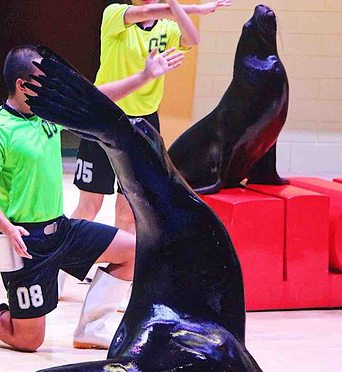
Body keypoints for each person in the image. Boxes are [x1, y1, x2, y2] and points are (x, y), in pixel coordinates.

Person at [0, 42, 185, 352]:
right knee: (28, 340)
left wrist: (144, 76)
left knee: (133, 251)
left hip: (62, 230)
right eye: (43, 82)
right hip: (25, 242)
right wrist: (7, 228)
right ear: (22, 85)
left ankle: (91, 329)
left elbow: (95, 99)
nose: (50, 89)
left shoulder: (47, 115)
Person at [71, 0, 232, 235]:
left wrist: (175, 4)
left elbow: (193, 39)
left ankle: (121, 259)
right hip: (103, 117)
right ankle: (65, 256)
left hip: (143, 124)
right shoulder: (115, 14)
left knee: (128, 212)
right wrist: (197, 8)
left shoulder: (167, 27)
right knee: (89, 208)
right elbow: (146, 11)